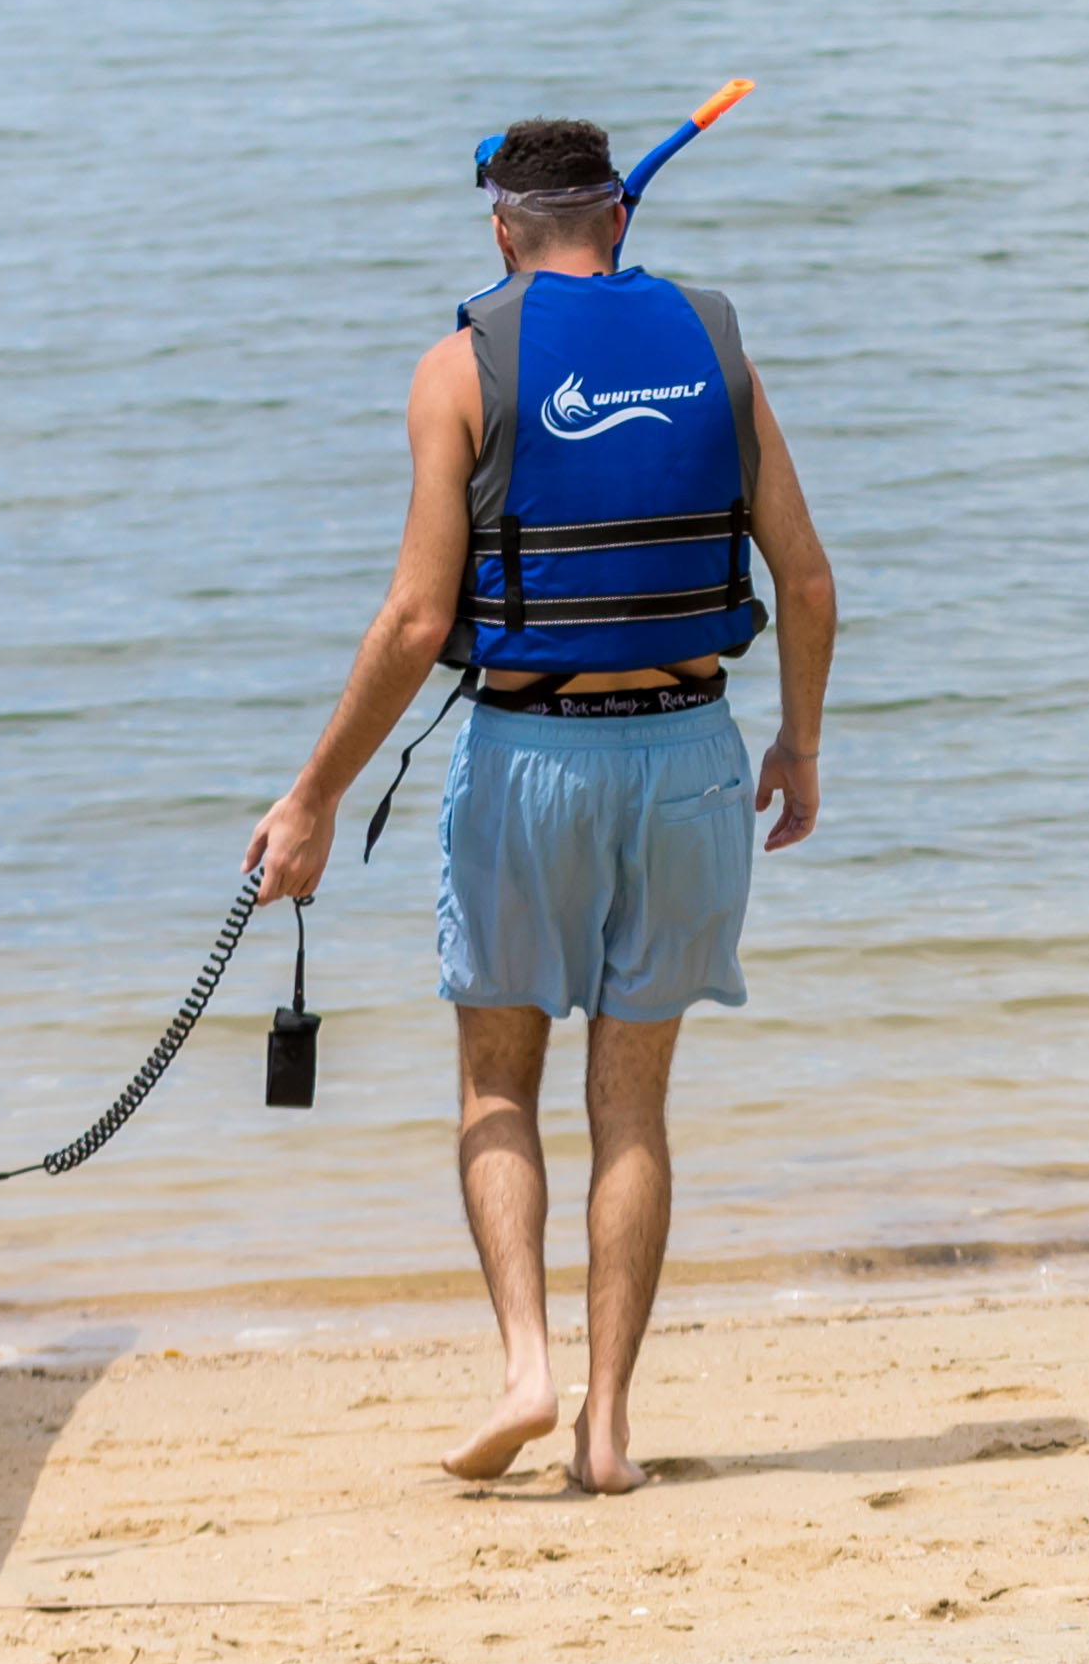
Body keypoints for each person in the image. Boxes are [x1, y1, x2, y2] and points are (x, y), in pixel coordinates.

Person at [251, 118, 836, 1494]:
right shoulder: (717, 350)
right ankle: (609, 1426)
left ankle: (526, 1365)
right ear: (617, 221)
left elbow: (412, 618)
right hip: (691, 749)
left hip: (532, 756)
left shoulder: (459, 368)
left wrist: (313, 794)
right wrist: (799, 745)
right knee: (633, 1106)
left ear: (501, 232)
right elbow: (806, 584)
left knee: (493, 1083)